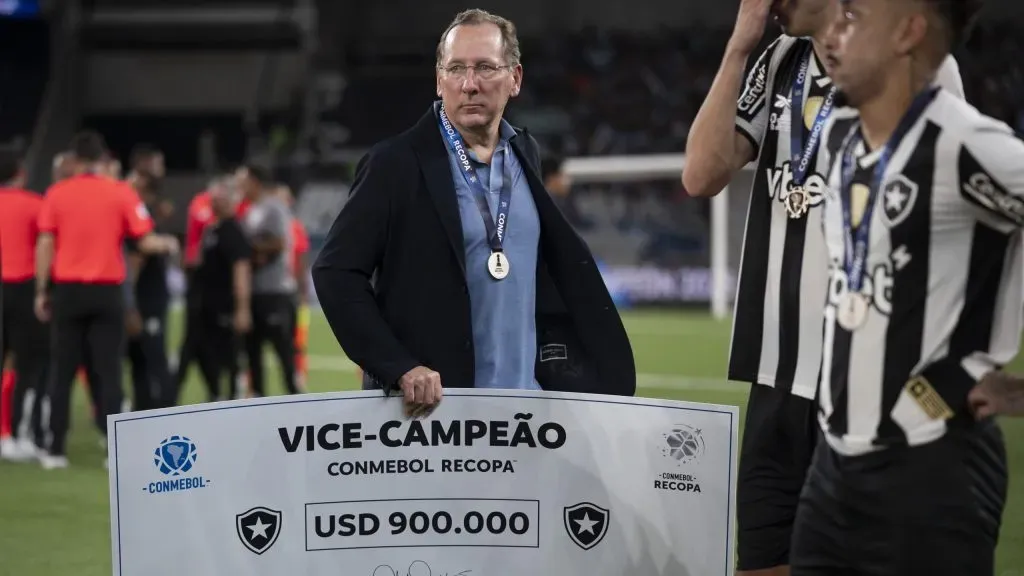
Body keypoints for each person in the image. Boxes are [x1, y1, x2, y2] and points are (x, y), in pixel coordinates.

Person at [679, 0, 964, 572]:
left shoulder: (913, 60)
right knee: (763, 559)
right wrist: (739, 46)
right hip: (776, 379)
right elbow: (702, 174)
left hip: (865, 386)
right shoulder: (779, 60)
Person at [311, 8, 635, 418]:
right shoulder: (394, 164)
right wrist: (397, 367)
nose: (469, 85)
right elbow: (335, 273)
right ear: (438, 80)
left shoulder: (525, 153)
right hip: (435, 415)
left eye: (485, 67)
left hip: (524, 411)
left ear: (514, 79)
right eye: (456, 69)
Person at [790, 0, 1011, 573]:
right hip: (831, 473)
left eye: (855, 16)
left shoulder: (964, 144)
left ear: (908, 32)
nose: (835, 31)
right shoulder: (837, 134)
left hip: (932, 472)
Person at [34, 131, 178, 469]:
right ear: (102, 159)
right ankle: (114, 452)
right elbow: (144, 241)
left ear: (75, 159)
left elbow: (45, 244)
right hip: (107, 291)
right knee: (109, 371)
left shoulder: (56, 194)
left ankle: (55, 448)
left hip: (68, 290)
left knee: (62, 371)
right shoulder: (120, 193)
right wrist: (168, 244)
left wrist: (43, 289)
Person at [0, 147, 48, 461]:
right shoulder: (35, 204)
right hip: (23, 287)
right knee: (27, 366)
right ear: (21, 173)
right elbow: (47, 246)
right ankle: (17, 433)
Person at [236, 164, 298, 397]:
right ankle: (259, 405)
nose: (239, 186)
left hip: (275, 292)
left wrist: (250, 250)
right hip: (254, 292)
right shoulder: (249, 210)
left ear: (255, 181)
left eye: (242, 180)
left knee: (284, 354)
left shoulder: (274, 207)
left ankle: (297, 403)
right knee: (253, 354)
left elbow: (280, 243)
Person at [124, 146, 175, 411]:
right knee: (141, 361)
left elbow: (137, 259)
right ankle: (142, 413)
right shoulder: (144, 212)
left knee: (152, 359)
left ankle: (164, 412)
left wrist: (128, 302)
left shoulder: (143, 214)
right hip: (145, 298)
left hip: (149, 299)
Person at [194, 178, 252, 401]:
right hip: (208, 306)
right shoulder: (212, 229)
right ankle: (217, 395)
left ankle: (232, 399)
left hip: (225, 305)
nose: (215, 203)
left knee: (230, 358)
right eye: (213, 199)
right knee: (207, 353)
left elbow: (241, 270)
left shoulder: (233, 231)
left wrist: (242, 308)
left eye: (219, 199)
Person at [174, 185, 215, 401]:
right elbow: (206, 220)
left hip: (209, 282)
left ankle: (214, 389)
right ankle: (172, 389)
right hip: (197, 276)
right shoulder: (202, 202)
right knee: (194, 339)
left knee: (200, 340)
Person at [274, 184, 311, 392]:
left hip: (292, 294)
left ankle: (298, 378)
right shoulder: (267, 224)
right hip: (274, 293)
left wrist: (303, 293)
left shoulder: (296, 227)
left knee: (297, 340)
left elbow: (302, 261)